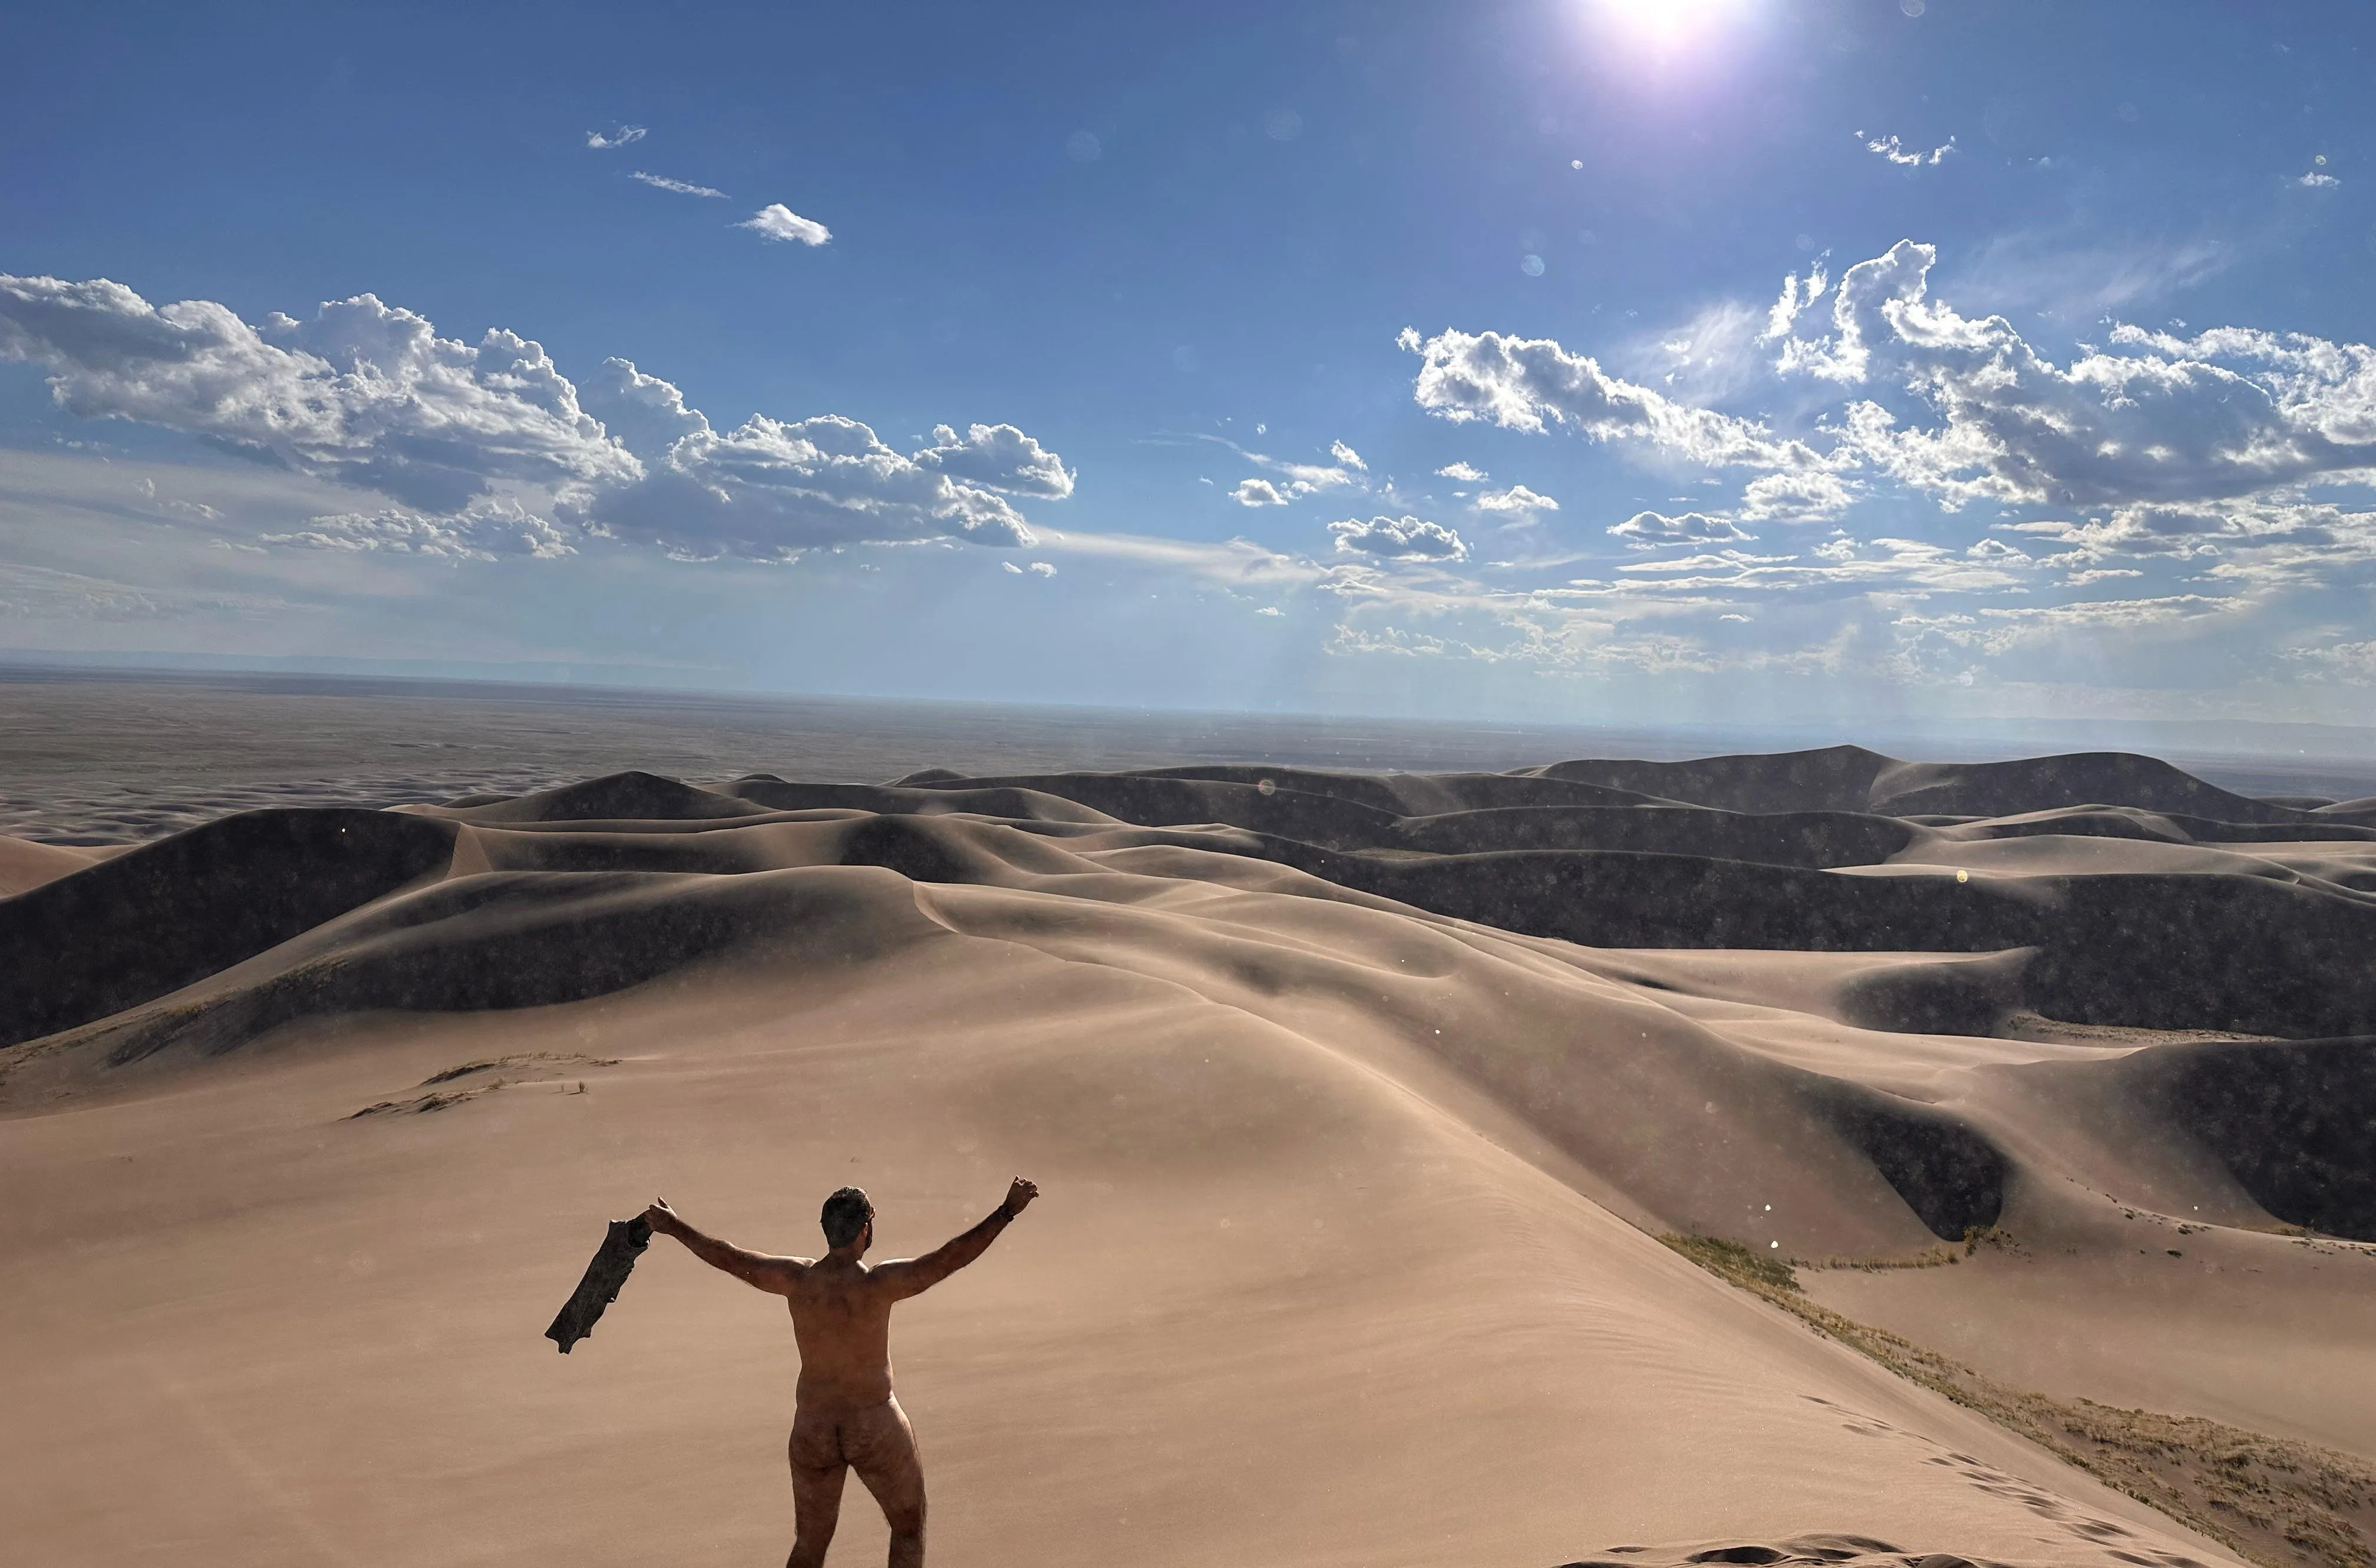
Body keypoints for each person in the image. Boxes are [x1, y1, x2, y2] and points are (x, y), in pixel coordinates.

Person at [640, 1177, 1038, 1568]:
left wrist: (674, 1226)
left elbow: (730, 1257)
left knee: (810, 1544)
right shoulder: (880, 1283)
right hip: (874, 1424)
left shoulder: (797, 1280)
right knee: (907, 1530)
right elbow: (948, 1259)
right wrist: (1006, 1212)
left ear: (825, 1229)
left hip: (813, 1429)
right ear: (867, 1226)